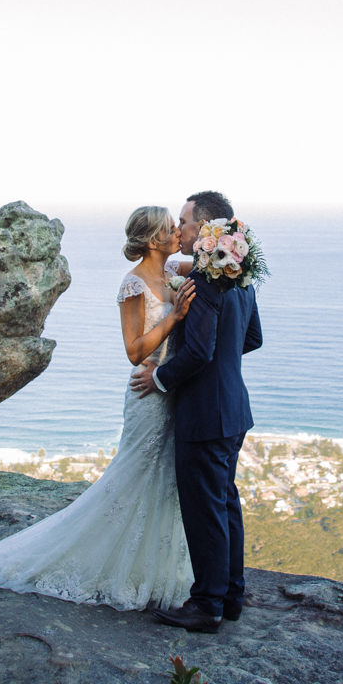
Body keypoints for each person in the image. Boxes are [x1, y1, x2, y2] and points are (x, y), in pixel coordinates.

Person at [0, 206, 198, 610]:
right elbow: (133, 350)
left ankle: (151, 568)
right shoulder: (134, 284)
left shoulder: (173, 271)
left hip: (171, 391)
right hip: (147, 394)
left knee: (165, 481)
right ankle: (104, 563)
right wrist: (174, 317)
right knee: (132, 475)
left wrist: (229, 240)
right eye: (172, 228)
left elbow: (209, 263)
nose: (179, 232)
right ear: (153, 240)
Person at [129, 190, 263, 633]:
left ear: (205, 227)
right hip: (234, 409)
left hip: (205, 415)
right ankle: (231, 597)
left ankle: (206, 605)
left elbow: (200, 350)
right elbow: (252, 338)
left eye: (184, 221)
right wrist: (221, 362)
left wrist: (161, 378)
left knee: (205, 511)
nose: (180, 229)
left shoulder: (206, 282)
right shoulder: (238, 275)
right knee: (225, 504)